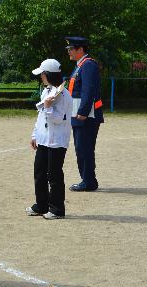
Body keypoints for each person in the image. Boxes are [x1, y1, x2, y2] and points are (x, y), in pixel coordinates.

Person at [26, 59, 72, 219]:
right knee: (39, 173)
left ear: (49, 75)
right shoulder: (47, 91)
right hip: (44, 139)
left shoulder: (64, 95)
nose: (41, 77)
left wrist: (48, 107)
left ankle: (57, 209)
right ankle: (41, 205)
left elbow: (58, 119)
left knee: (54, 175)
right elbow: (40, 116)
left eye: (43, 74)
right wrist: (34, 134)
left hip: (57, 141)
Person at [65, 36, 104, 192]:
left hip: (86, 116)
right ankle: (87, 180)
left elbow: (88, 91)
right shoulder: (81, 65)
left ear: (80, 49)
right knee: (81, 148)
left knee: (84, 148)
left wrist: (83, 112)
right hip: (79, 115)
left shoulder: (88, 65)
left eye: (71, 49)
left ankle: (88, 181)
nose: (69, 52)